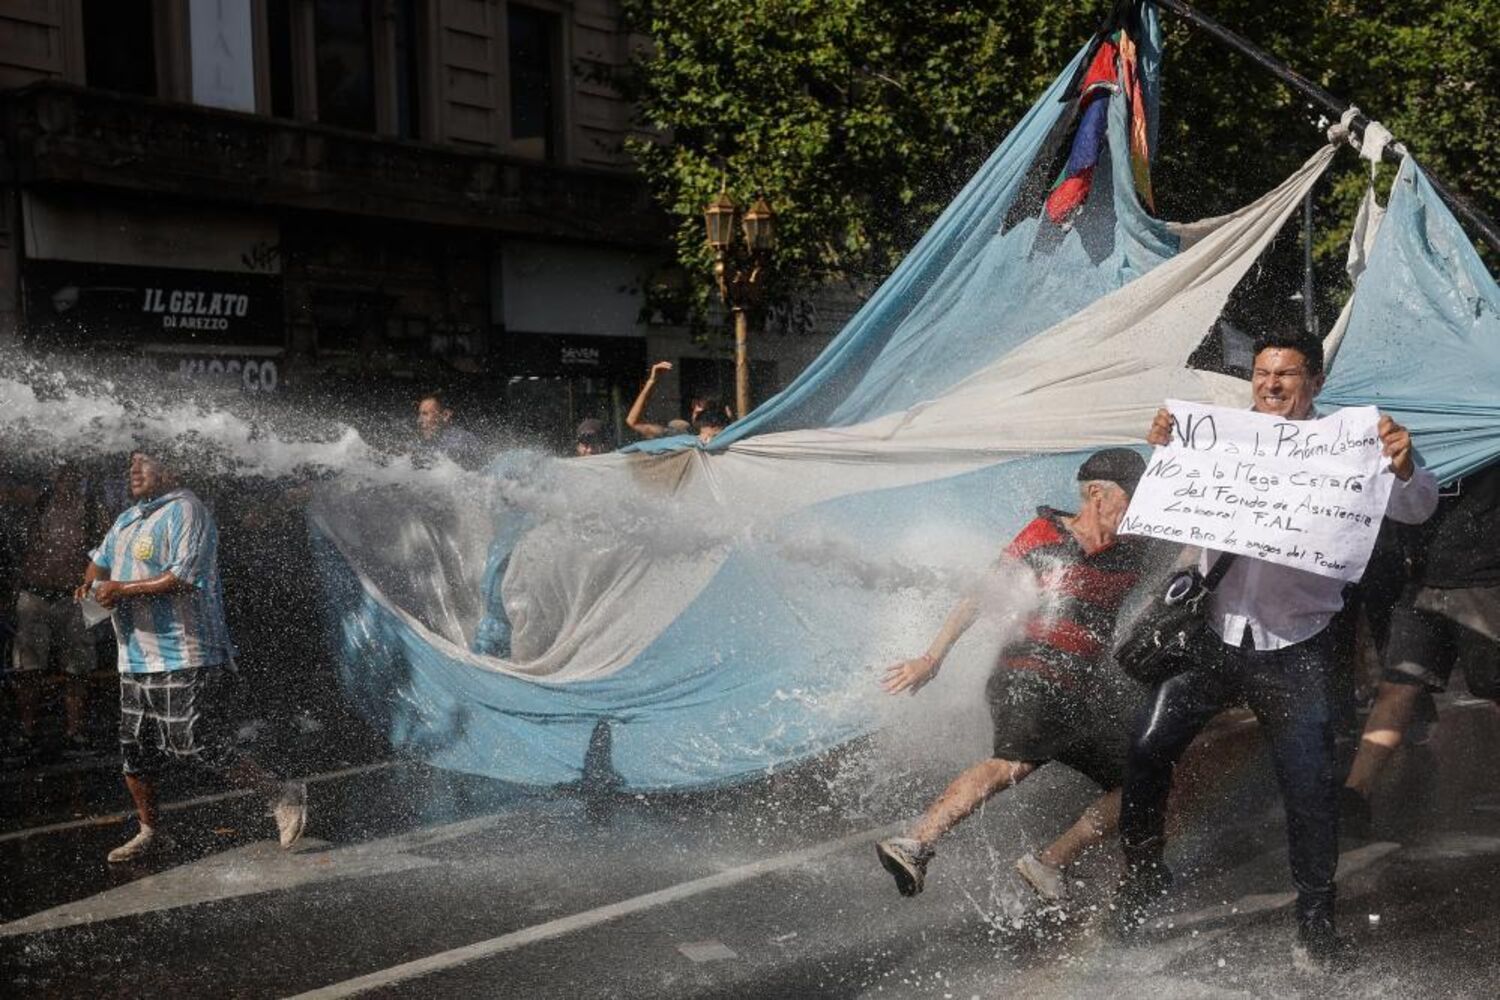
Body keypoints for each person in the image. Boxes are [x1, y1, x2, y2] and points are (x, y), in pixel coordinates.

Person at [1114, 330, 1438, 969]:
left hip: (1298, 648)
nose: (1270, 384)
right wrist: (1162, 446)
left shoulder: (1352, 445)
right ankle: (1144, 873)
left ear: (1315, 382)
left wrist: (1403, 465)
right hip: (1214, 637)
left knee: (1309, 790)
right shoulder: (1221, 436)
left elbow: (1417, 507)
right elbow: (1175, 495)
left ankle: (1316, 922)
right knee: (1147, 749)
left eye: (1286, 374)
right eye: (1262, 373)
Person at [875, 448, 1151, 902]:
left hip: (1076, 692)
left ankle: (1049, 862)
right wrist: (932, 658)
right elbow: (978, 595)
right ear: (1097, 494)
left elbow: (1192, 543)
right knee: (1012, 763)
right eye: (1132, 497)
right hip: (1026, 676)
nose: (1139, 508)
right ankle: (916, 841)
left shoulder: (1135, 551)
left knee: (1141, 781)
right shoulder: (1043, 533)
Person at [78, 449, 308, 863]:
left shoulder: (187, 510)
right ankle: (151, 831)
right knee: (135, 752)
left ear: (171, 469)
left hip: (184, 652)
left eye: (145, 462)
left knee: (194, 743)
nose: (134, 469)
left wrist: (120, 590)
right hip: (134, 657)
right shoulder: (127, 518)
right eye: (131, 463)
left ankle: (281, 793)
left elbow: (184, 577)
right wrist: (91, 586)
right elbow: (99, 563)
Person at [1341, 460, 1500, 833]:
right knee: (1397, 686)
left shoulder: (1489, 429)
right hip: (1422, 582)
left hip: (1485, 582)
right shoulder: (1410, 434)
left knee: (1495, 687)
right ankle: (1354, 796)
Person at [8, 465, 111, 757]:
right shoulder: (36, 501)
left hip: (76, 596)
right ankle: (27, 734)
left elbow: (106, 549)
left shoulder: (91, 508)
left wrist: (97, 598)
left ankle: (74, 734)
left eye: (74, 471)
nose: (67, 477)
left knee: (79, 668)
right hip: (34, 594)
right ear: (52, 473)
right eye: (62, 471)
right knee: (28, 668)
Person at [416, 390, 484, 469]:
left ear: (445, 415)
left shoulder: (459, 442)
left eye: (425, 414)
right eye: (420, 414)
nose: (419, 421)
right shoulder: (434, 442)